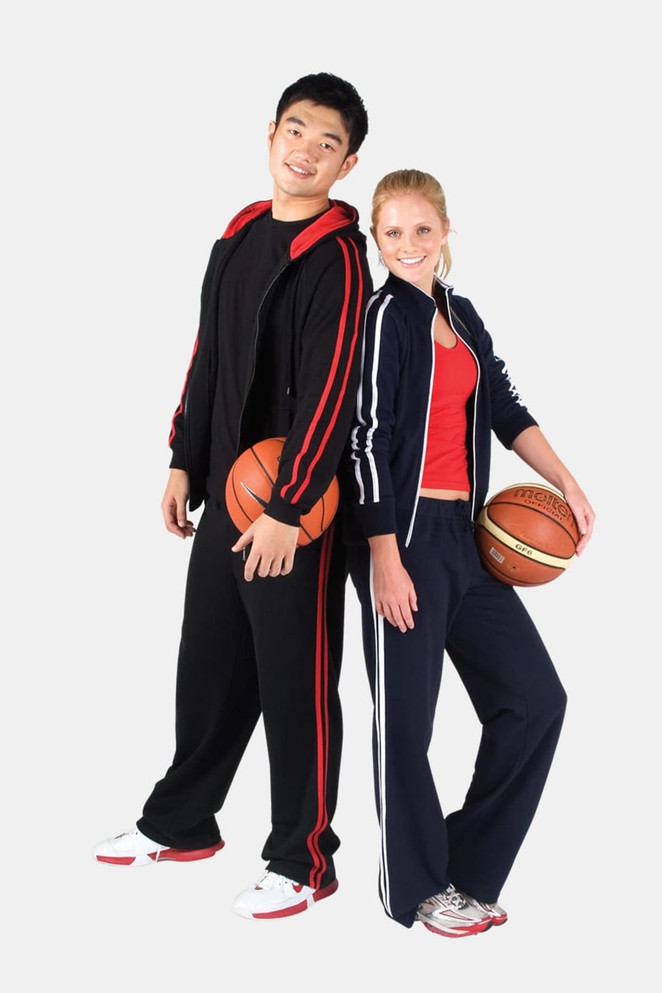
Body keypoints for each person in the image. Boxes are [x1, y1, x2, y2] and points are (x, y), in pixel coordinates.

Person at [94, 73, 373, 921]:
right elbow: (207, 354)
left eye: (328, 142)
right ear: (270, 134)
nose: (307, 149)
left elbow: (332, 390)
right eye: (297, 129)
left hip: (296, 513)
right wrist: (184, 458)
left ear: (348, 164)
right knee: (209, 665)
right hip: (228, 495)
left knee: (295, 685)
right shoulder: (240, 234)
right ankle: (182, 821)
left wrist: (289, 507)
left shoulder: (340, 258)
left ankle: (304, 859)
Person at [345, 169, 595, 938]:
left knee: (535, 700)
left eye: (422, 229)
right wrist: (385, 555)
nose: (408, 244)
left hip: (469, 537)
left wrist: (566, 481)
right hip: (403, 536)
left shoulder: (464, 316)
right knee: (406, 724)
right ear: (377, 239)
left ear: (446, 232)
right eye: (393, 232)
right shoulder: (382, 318)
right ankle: (414, 891)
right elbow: (365, 440)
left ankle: (464, 872)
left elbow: (505, 408)